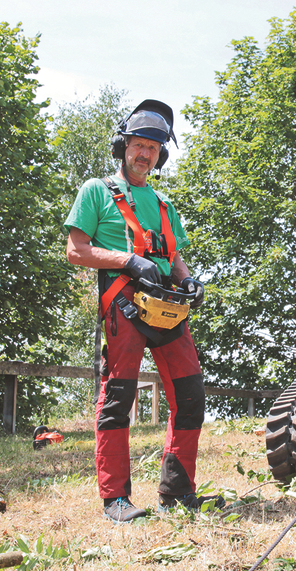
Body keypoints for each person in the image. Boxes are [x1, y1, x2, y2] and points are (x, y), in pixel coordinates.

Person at [63, 99, 224, 523]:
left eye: (153, 148)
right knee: (118, 398)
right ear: (123, 146)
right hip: (123, 305)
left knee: (191, 396)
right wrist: (127, 261)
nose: (145, 154)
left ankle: (177, 492)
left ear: (160, 155)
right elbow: (76, 251)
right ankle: (115, 498)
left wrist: (188, 280)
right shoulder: (96, 191)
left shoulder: (165, 204)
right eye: (139, 144)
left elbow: (174, 258)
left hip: (169, 309)